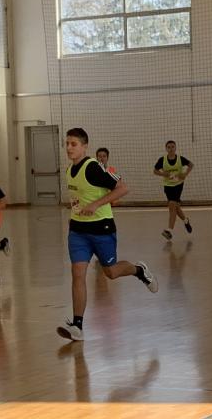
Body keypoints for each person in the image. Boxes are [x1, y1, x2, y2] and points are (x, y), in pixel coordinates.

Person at [59, 127, 157, 341]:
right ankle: (77, 326)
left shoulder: (93, 168)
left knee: (110, 273)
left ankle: (139, 270)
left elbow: (122, 188)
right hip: (78, 231)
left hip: (101, 229)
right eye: (67, 143)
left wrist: (96, 204)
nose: (69, 148)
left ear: (85, 146)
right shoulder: (68, 170)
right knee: (78, 274)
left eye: (73, 144)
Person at [154, 139, 194, 240]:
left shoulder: (180, 159)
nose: (171, 149)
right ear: (166, 149)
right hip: (168, 186)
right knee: (175, 207)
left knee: (172, 205)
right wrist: (163, 174)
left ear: (175, 148)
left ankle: (169, 230)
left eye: (172, 147)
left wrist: (185, 174)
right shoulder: (162, 160)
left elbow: (191, 165)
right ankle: (186, 221)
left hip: (178, 185)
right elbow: (155, 171)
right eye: (169, 147)